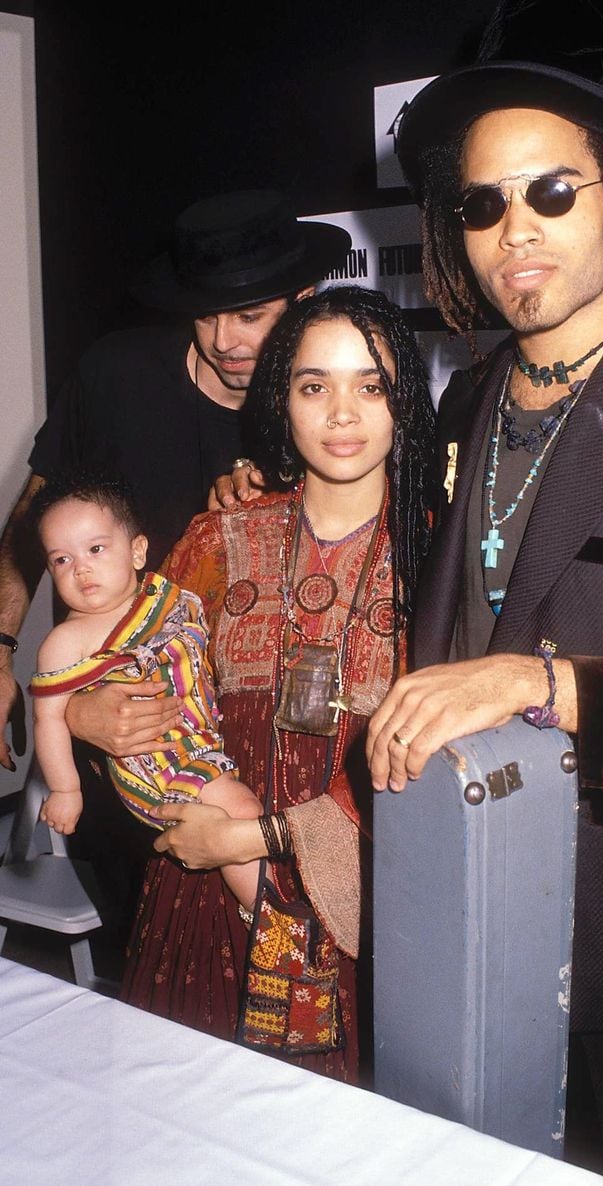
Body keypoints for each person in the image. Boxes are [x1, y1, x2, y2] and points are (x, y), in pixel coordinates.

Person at [362, 1, 603, 1186]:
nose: (515, 232)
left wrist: (548, 685)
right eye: (482, 204)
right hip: (456, 916)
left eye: (551, 193)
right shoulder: (464, 408)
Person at [0, 190, 350, 944]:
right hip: (119, 773)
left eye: (251, 314)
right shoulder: (115, 375)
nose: (225, 339)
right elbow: (35, 520)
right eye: (206, 313)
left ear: (303, 300)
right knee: (159, 967)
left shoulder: (324, 411)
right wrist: (6, 654)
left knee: (286, 965)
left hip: (256, 754)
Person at [118, 285, 437, 1083]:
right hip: (201, 884)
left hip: (357, 909)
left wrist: (255, 842)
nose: (341, 414)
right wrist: (90, 713)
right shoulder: (223, 534)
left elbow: (438, 763)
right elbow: (140, 681)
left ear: (404, 403)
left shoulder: (440, 555)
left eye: (371, 385)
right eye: (313, 385)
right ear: (280, 399)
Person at [26, 470, 262, 912]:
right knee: (240, 812)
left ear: (137, 551)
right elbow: (49, 719)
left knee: (249, 811)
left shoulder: (160, 594)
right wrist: (65, 790)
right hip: (160, 761)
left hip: (204, 734)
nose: (81, 568)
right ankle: (269, 920)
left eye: (96, 549)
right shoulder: (68, 640)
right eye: (61, 559)